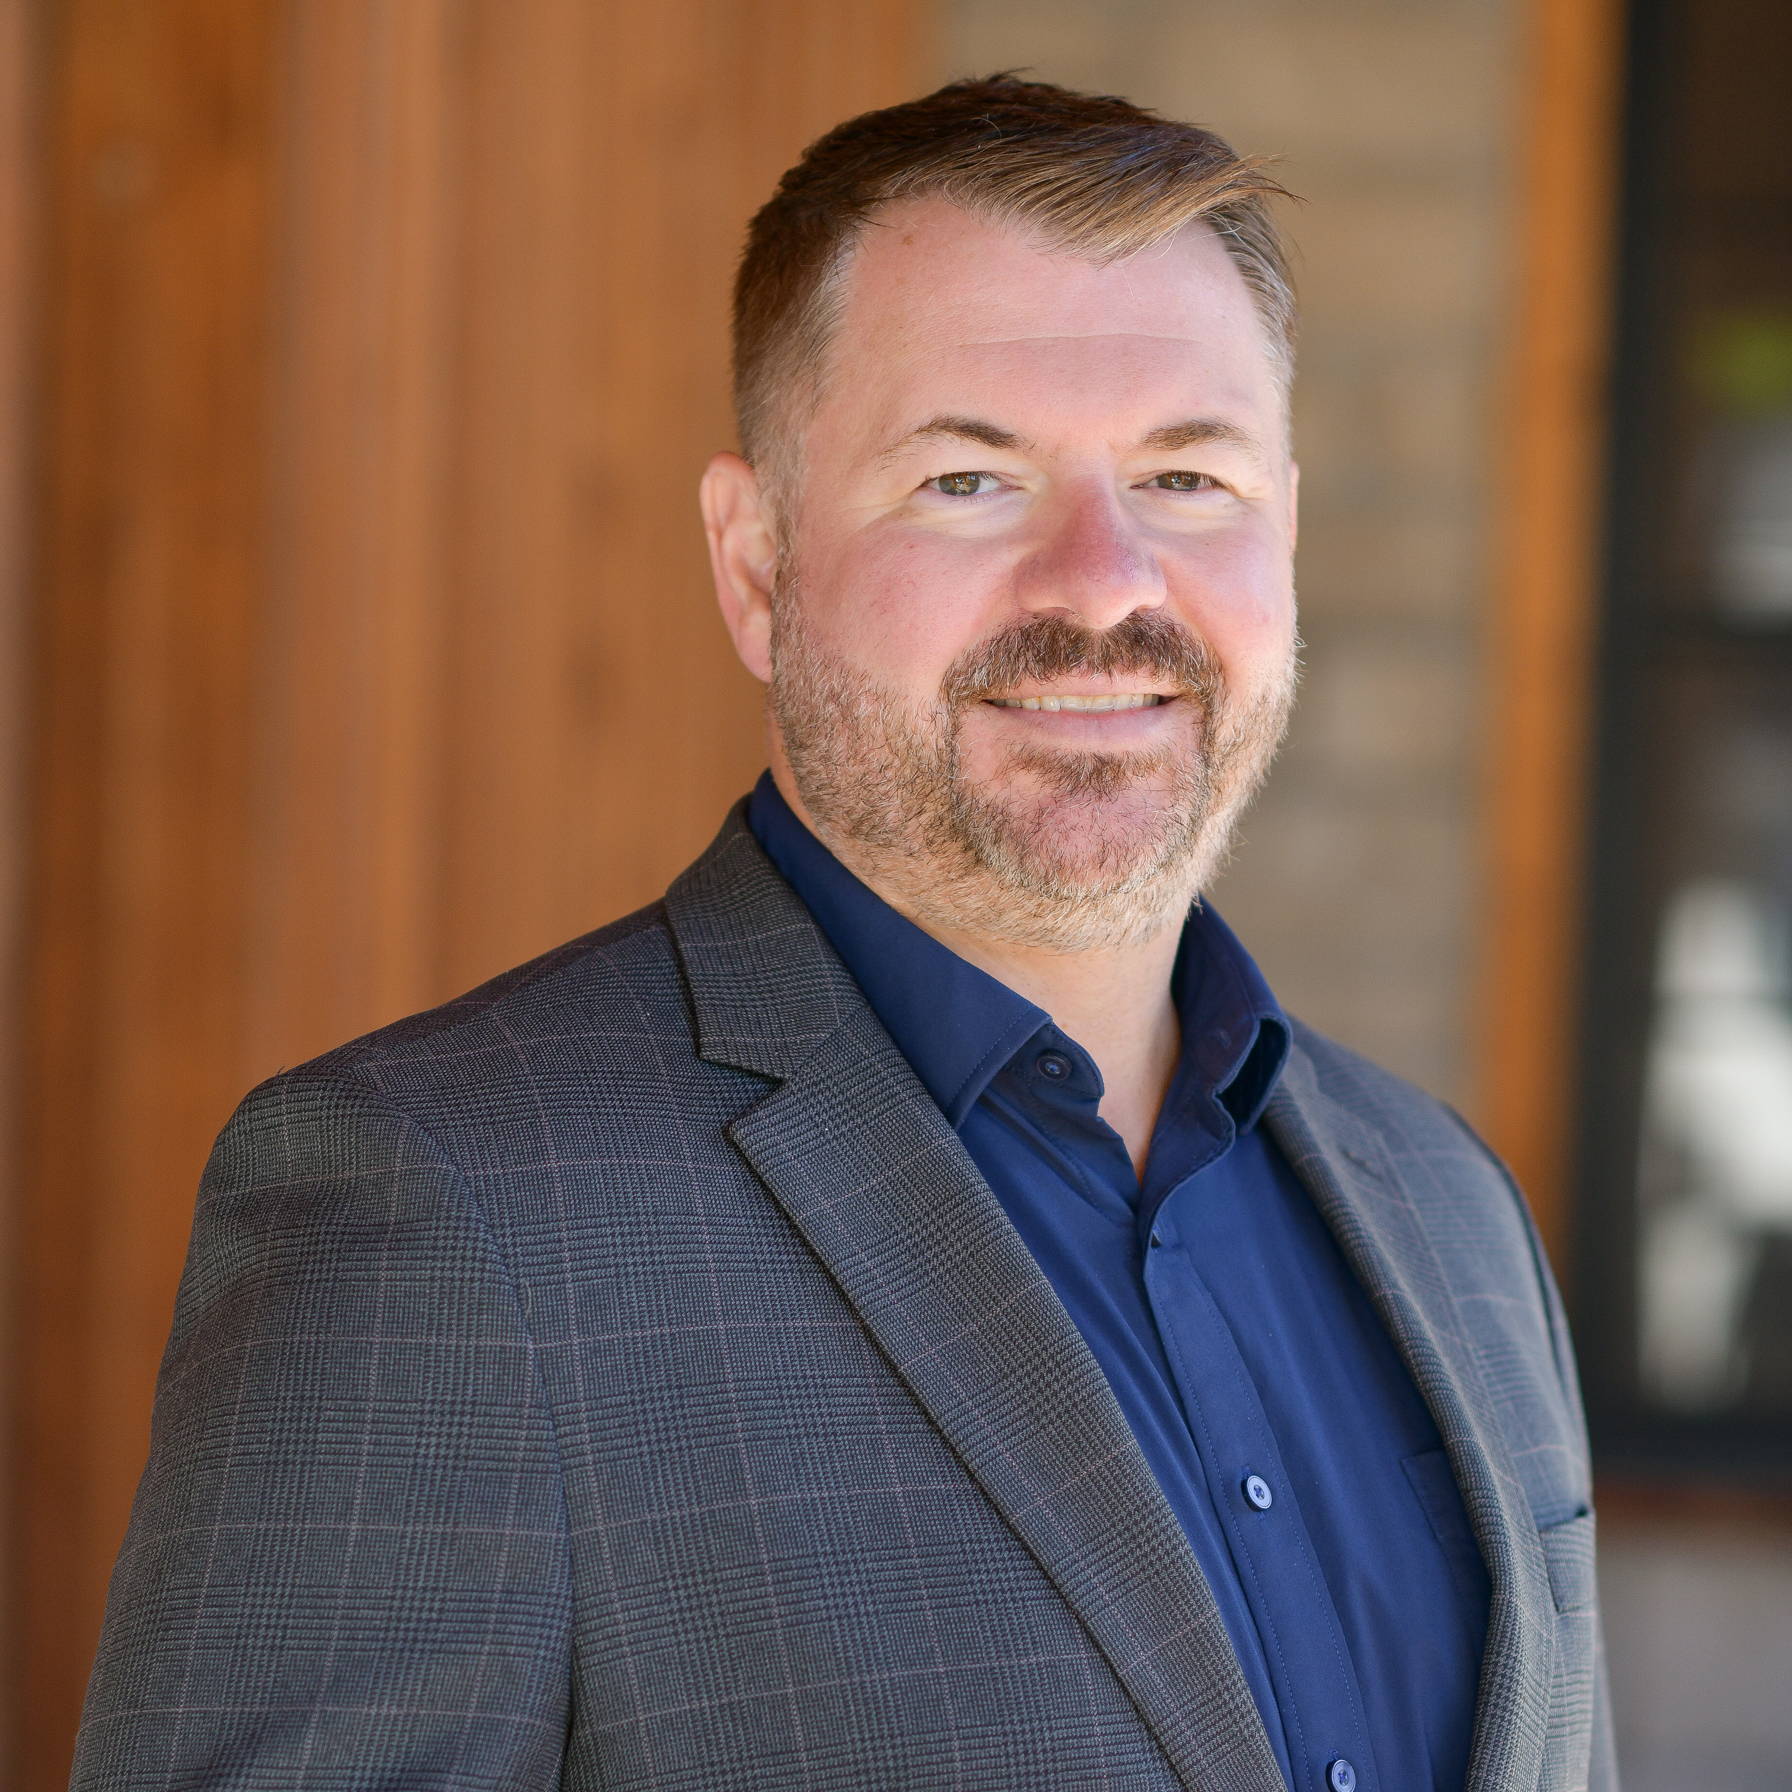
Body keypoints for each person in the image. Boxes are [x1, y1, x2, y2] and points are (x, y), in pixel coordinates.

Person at [73, 76, 1615, 1792]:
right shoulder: (444, 1217)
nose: (1106, 585)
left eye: (1189, 475)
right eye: (969, 480)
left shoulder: (1451, 1209)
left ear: (1290, 535)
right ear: (754, 561)